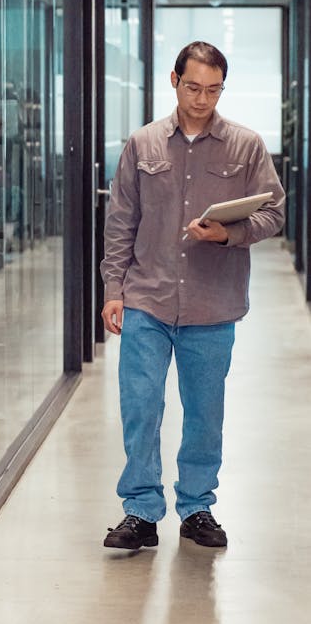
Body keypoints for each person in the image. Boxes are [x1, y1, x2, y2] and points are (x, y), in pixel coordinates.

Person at [101, 40, 284, 550]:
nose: (202, 99)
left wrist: (227, 234)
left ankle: (197, 506)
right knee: (141, 406)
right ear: (174, 81)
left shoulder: (246, 147)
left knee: (205, 410)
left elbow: (274, 213)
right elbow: (120, 223)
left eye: (213, 89)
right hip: (147, 299)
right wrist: (113, 289)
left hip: (212, 303)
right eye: (193, 87)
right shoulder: (143, 145)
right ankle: (140, 511)